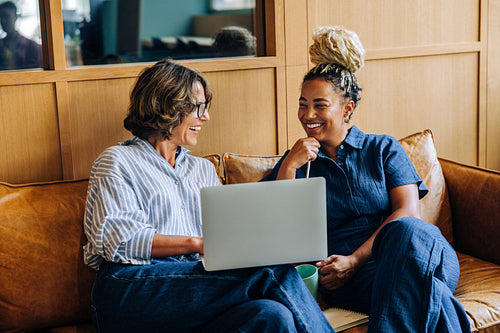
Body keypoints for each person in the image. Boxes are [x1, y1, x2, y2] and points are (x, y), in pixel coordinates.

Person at [83, 59, 333, 333]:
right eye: (198, 107)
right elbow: (119, 242)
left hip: (192, 287)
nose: (206, 117)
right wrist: (198, 243)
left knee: (272, 316)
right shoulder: (116, 161)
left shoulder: (202, 170)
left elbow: (224, 240)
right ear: (168, 105)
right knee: (273, 272)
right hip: (129, 286)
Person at [263, 26, 472, 332]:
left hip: (416, 253)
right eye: (302, 104)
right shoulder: (295, 162)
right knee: (430, 292)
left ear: (347, 109)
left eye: (319, 105)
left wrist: (354, 260)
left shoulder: (383, 148)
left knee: (408, 230)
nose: (307, 114)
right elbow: (274, 230)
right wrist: (289, 167)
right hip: (356, 281)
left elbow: (407, 211)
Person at [0, 1, 42, 70]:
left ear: (15, 17)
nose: (3, 21)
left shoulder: (32, 47)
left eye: (7, 16)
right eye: (1, 17)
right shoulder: (1, 45)